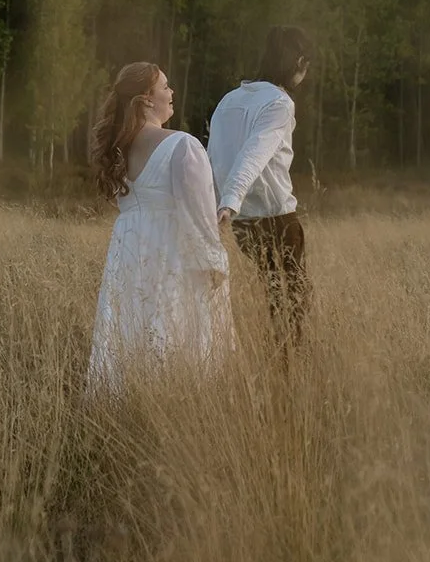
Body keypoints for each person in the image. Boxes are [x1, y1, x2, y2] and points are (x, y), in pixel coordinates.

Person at [87, 61, 234, 389]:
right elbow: (197, 214)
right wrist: (213, 263)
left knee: (130, 330)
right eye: (165, 87)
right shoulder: (182, 146)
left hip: (127, 256)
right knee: (176, 331)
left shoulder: (119, 151)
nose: (172, 93)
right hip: (171, 254)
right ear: (146, 99)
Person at [208, 27, 313, 347]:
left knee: (270, 294)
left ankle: (273, 363)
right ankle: (290, 371)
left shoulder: (229, 100)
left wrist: (220, 202)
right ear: (298, 61)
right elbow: (254, 152)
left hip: (242, 222)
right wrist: (229, 199)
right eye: (306, 66)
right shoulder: (280, 103)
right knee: (293, 303)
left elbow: (216, 157)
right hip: (275, 217)